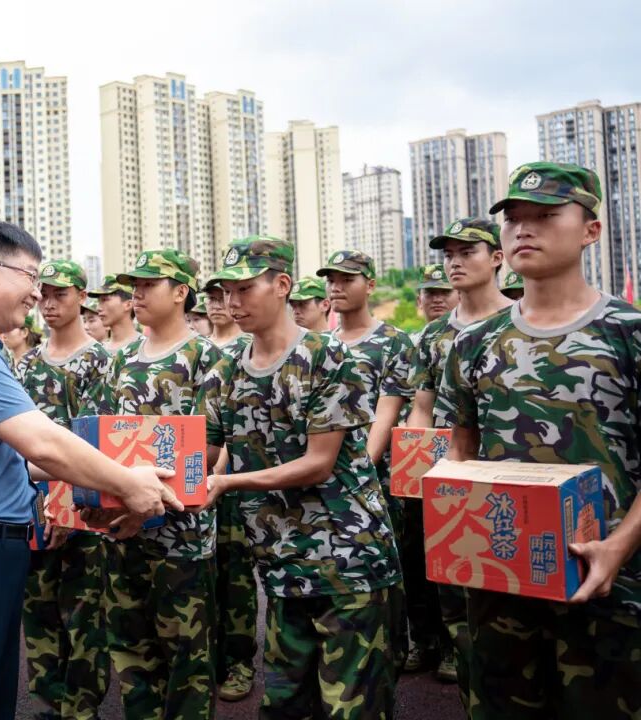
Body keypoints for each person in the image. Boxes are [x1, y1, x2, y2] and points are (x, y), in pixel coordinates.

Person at [0, 221, 181, 720]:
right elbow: (42, 442)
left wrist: (121, 471)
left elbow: (11, 458)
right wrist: (127, 482)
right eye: (30, 276)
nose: (36, 292)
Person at [437, 162, 641, 719]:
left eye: (546, 216)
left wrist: (618, 547)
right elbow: (461, 451)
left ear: (591, 230)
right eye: (514, 219)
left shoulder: (627, 332)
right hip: (502, 576)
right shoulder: (474, 343)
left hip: (609, 582)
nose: (524, 229)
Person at [200, 238, 402, 719]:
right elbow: (202, 457)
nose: (232, 302)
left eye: (245, 288)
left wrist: (228, 483)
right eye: (226, 290)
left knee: (352, 706)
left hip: (348, 560)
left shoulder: (327, 358)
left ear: (282, 285)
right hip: (281, 564)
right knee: (285, 705)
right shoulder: (223, 372)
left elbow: (318, 463)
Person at [99, 248, 222, 720]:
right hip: (123, 531)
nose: (137, 292)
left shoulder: (206, 357)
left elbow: (208, 450)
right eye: (135, 283)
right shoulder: (121, 358)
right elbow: (107, 440)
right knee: (131, 654)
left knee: (187, 659)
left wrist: (141, 504)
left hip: (180, 535)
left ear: (180, 292)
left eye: (149, 284)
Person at [406, 219, 513, 691]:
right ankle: (455, 655)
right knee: (455, 584)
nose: (455, 261)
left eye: (468, 251)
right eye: (449, 253)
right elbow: (420, 410)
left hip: (511, 475)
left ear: (496, 257)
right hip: (451, 475)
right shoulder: (433, 337)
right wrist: (416, 472)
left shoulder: (521, 321)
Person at [17, 259, 111, 720]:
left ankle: (81, 705)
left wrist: (64, 510)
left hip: (82, 507)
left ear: (81, 297)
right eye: (44, 294)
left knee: (84, 613)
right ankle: (48, 699)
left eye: (60, 294)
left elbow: (91, 442)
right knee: (37, 608)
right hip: (32, 505)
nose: (49, 303)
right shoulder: (29, 363)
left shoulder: (100, 361)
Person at [319, 249, 414, 675]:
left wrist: (363, 473)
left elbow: (387, 412)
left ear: (370, 285)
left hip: (372, 482)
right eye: (331, 280)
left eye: (348, 279)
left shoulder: (392, 341)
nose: (336, 287)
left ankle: (392, 654)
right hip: (323, 479)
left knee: (384, 576)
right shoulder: (320, 345)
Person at [201, 271, 257, 703]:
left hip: (234, 484)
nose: (220, 303)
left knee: (235, 579)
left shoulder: (245, 350)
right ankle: (208, 659)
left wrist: (219, 473)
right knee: (201, 579)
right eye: (214, 296)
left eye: (227, 295)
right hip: (198, 479)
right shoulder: (200, 351)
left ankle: (238, 663)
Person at [89, 274, 141, 353]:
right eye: (99, 302)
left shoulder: (146, 347)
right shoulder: (96, 352)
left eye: (105, 300)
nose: (98, 308)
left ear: (128, 304)